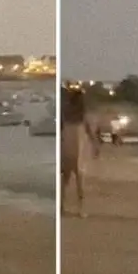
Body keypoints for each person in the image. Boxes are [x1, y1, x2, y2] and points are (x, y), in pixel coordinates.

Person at [61, 89, 97, 217]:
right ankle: (81, 208)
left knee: (65, 180)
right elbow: (90, 132)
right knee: (80, 179)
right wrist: (95, 145)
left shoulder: (66, 115)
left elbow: (61, 132)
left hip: (66, 148)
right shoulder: (82, 116)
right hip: (79, 148)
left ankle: (62, 207)